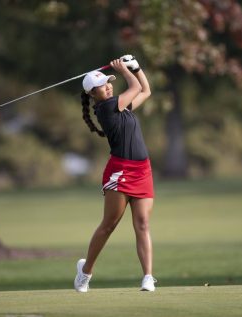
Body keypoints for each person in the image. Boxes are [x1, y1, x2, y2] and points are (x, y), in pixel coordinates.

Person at [74, 55, 156, 292]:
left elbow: (146, 91)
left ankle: (148, 277)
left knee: (142, 224)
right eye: (102, 85)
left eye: (109, 82)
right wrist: (125, 69)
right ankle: (85, 271)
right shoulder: (107, 107)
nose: (108, 86)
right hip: (120, 172)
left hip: (143, 171)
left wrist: (137, 67)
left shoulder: (121, 106)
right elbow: (136, 86)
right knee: (109, 224)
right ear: (93, 93)